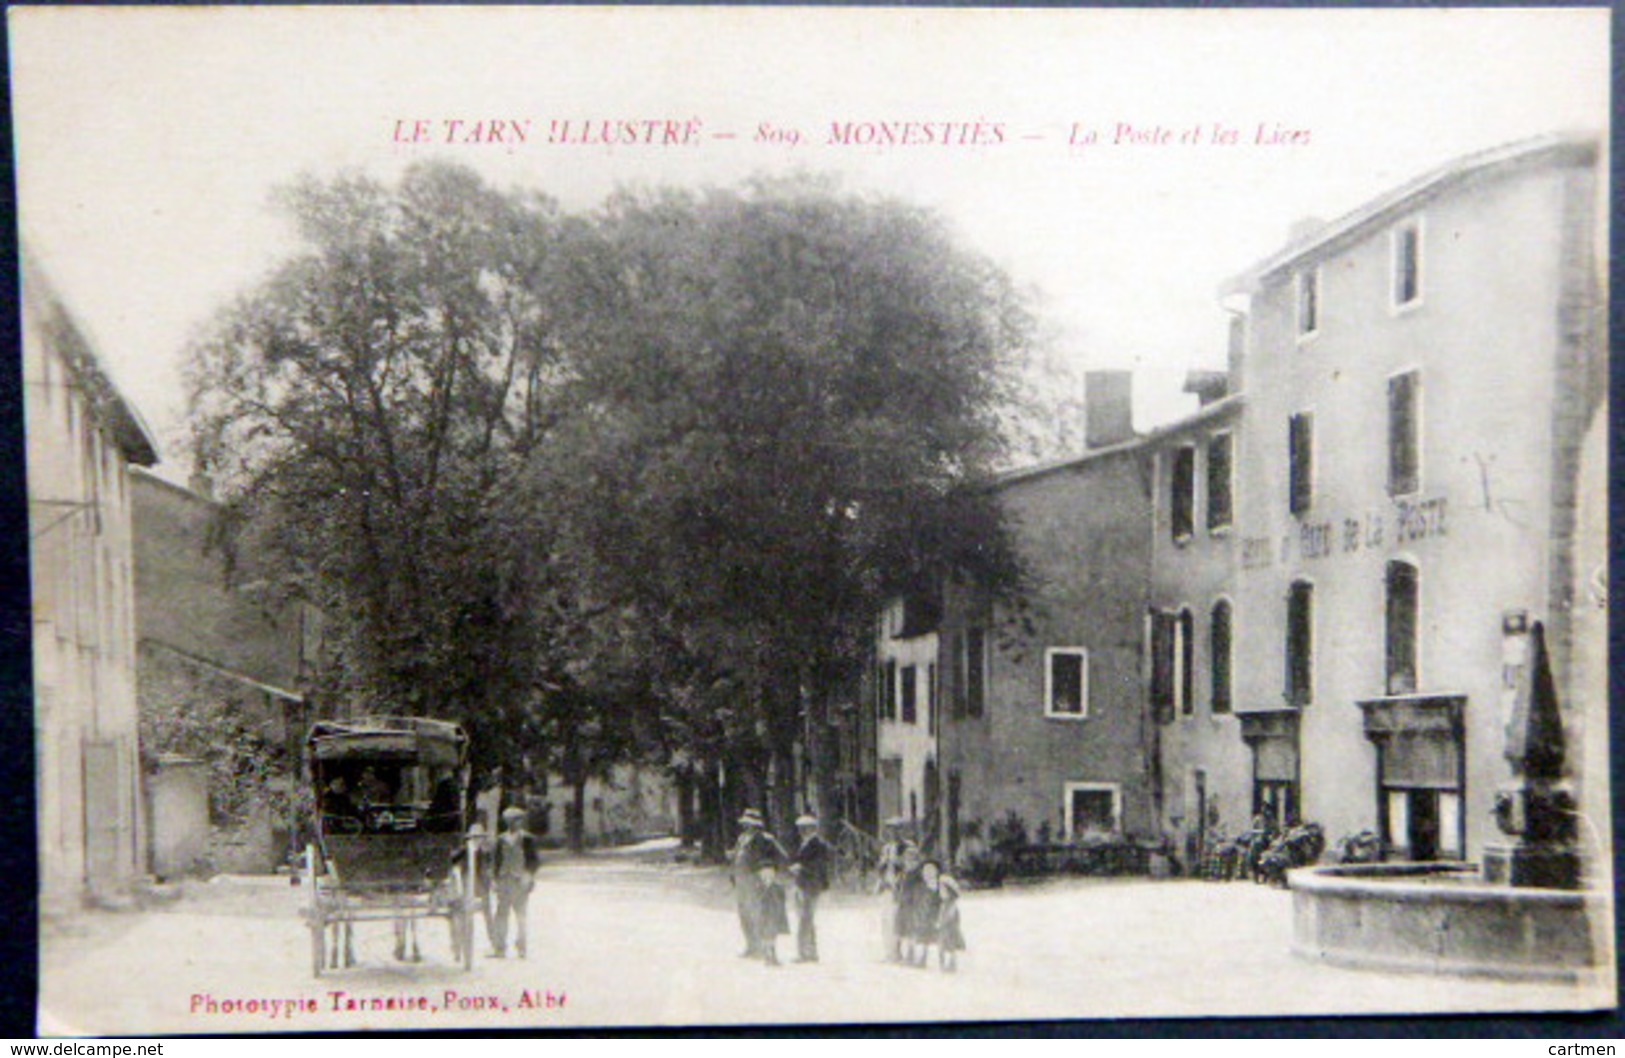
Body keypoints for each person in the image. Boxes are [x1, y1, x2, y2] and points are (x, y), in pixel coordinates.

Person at [730, 808, 786, 964]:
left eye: (749, 823)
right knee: (744, 913)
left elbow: (780, 855)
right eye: (746, 823)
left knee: (758, 913)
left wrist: (768, 870)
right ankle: (751, 945)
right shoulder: (742, 838)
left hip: (754, 880)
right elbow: (736, 857)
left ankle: (762, 947)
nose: (747, 826)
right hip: (741, 881)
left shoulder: (765, 838)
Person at [490, 806, 540, 958]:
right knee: (501, 914)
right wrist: (495, 879)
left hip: (520, 880)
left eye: (518, 820)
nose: (515, 824)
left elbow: (533, 861)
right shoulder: (501, 839)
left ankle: (521, 946)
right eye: (511, 821)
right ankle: (500, 947)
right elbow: (496, 861)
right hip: (504, 879)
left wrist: (528, 876)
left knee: (521, 915)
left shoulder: (527, 839)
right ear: (507, 822)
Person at [789, 813, 834, 963]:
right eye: (800, 829)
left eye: (804, 828)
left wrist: (800, 868)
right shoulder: (805, 843)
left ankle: (804, 953)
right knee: (806, 919)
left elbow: (819, 866)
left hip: (810, 886)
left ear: (812, 829)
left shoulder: (818, 845)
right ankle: (811, 951)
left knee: (805, 919)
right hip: (802, 884)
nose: (801, 832)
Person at [875, 817, 908, 962]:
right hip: (886, 885)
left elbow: (910, 866)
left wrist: (898, 864)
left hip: (899, 886)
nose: (893, 833)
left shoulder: (907, 847)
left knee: (897, 918)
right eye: (890, 829)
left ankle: (897, 951)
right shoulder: (886, 848)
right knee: (885, 919)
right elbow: (880, 867)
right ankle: (888, 951)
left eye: (896, 829)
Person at [932, 864, 966, 972]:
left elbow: (950, 914)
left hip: (948, 922)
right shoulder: (944, 902)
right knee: (943, 942)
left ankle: (950, 963)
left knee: (949, 942)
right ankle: (944, 964)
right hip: (945, 921)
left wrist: (941, 920)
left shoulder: (950, 903)